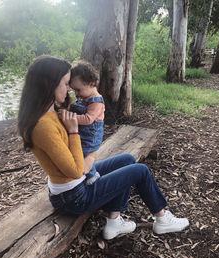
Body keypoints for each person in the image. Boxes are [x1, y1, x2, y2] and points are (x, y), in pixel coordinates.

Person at [18, 55, 189, 240]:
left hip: (75, 184)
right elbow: (76, 170)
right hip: (72, 197)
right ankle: (162, 219)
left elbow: (81, 156)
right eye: (66, 83)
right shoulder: (43, 125)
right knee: (140, 170)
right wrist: (75, 132)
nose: (69, 89)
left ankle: (114, 222)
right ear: (49, 84)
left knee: (127, 160)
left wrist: (89, 155)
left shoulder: (54, 112)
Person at [69, 61, 105, 185]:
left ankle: (92, 174)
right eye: (74, 91)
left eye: (79, 90)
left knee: (83, 152)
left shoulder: (96, 101)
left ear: (92, 84)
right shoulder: (86, 97)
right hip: (84, 132)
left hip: (92, 135)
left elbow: (88, 119)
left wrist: (71, 118)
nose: (77, 94)